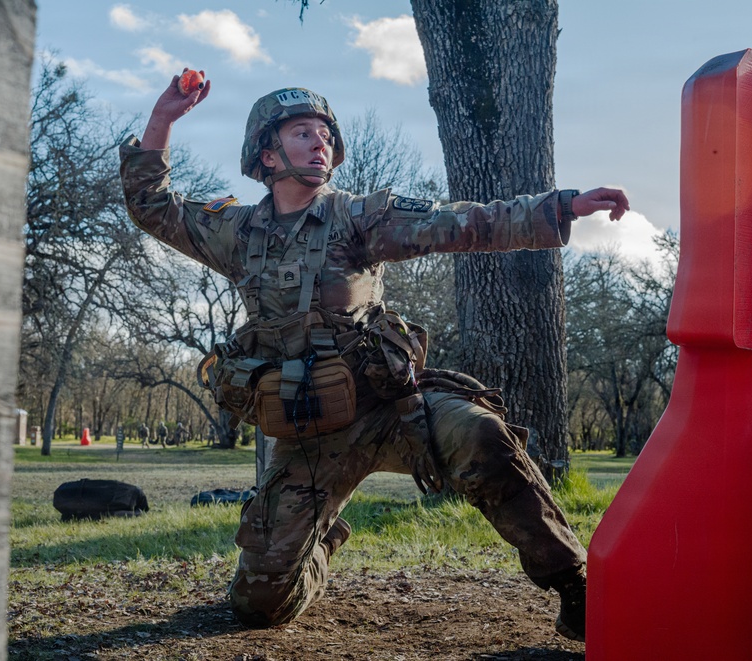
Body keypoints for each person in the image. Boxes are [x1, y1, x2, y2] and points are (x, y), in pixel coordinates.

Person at [119, 71, 629, 643]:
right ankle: (321, 533)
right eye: (302, 134)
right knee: (259, 606)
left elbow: (463, 225)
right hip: (309, 434)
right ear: (266, 152)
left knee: (482, 435)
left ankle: (575, 585)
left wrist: (559, 206)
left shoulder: (360, 216)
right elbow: (152, 206)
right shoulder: (237, 232)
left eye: (326, 135)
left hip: (394, 409)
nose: (321, 143)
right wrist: (163, 119)